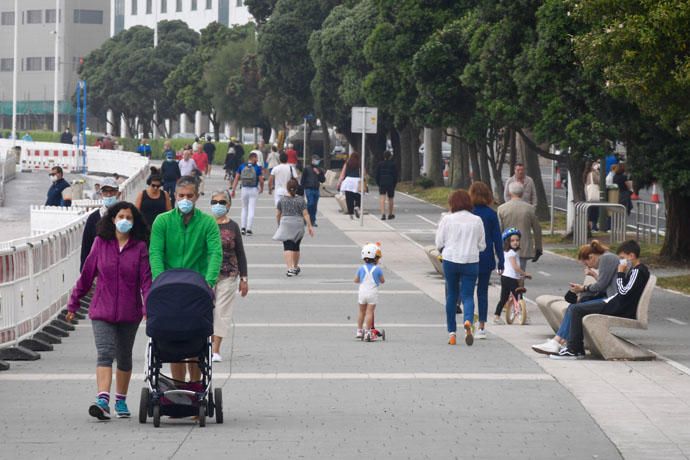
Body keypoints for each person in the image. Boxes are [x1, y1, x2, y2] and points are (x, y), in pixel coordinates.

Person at [65, 201, 151, 420]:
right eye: (120, 216)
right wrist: (74, 303)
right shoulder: (100, 243)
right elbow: (87, 275)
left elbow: (146, 282)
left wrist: (149, 308)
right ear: (113, 219)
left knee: (124, 357)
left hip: (129, 313)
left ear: (134, 222)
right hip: (101, 310)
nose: (124, 221)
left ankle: (120, 400)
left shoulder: (140, 247)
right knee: (105, 353)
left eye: (129, 218)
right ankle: (102, 400)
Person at [149, 176, 223, 382]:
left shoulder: (207, 222)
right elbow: (155, 252)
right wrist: (159, 280)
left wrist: (209, 282)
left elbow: (215, 253)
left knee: (196, 343)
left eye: (190, 196)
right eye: (181, 195)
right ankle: (177, 388)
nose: (185, 199)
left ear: (197, 197)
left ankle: (195, 386)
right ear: (174, 196)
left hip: (197, 290)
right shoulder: (162, 221)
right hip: (169, 289)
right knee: (173, 343)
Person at [551, 240, 651, 360]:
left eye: (622, 258)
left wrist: (620, 272)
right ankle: (574, 348)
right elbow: (622, 289)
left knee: (576, 309)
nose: (621, 261)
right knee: (576, 308)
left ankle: (574, 349)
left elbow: (623, 291)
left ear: (631, 256)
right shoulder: (637, 270)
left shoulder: (637, 271)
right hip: (617, 303)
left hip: (619, 306)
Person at [532, 240, 620, 355]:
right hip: (611, 298)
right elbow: (606, 284)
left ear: (591, 257)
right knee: (574, 306)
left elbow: (601, 286)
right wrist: (593, 275)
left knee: (575, 308)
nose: (588, 266)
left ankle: (560, 343)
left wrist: (582, 288)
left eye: (586, 263)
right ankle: (558, 341)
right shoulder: (607, 258)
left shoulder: (606, 259)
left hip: (614, 301)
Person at [435, 189, 486, 346]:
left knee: (451, 295)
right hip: (471, 261)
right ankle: (468, 321)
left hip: (450, 260)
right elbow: (482, 245)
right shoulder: (477, 220)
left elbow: (439, 242)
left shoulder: (447, 219)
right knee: (468, 296)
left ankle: (451, 333)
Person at [209, 190, 248, 363]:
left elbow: (240, 252)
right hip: (207, 275)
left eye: (222, 202)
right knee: (206, 311)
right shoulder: (205, 223)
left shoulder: (233, 226)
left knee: (222, 312)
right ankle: (206, 346)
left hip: (228, 274)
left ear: (229, 205)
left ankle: (216, 349)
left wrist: (244, 279)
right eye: (215, 201)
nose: (218, 205)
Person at [469, 181, 504, 337]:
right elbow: (498, 239)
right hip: (486, 257)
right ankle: (482, 326)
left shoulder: (469, 213)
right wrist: (501, 260)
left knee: (468, 291)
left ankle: (468, 320)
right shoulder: (491, 214)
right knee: (482, 291)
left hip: (469, 257)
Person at [272, 178, 314, 276]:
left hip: (286, 223)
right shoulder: (301, 200)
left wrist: (279, 224)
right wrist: (309, 226)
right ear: (297, 188)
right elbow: (306, 214)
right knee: (296, 246)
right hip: (298, 224)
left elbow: (278, 214)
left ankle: (289, 268)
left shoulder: (282, 200)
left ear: (287, 188)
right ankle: (295, 266)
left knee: (287, 246)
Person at [497, 182, 543, 271]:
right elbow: (537, 229)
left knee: (508, 272)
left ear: (509, 193)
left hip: (507, 247)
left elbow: (499, 230)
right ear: (522, 194)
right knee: (521, 272)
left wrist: (498, 248)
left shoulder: (502, 209)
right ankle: (520, 284)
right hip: (523, 247)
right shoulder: (529, 209)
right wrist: (538, 248)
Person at [80, 177, 121, 270]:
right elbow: (86, 245)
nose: (109, 195)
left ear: (118, 193)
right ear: (101, 194)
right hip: (99, 269)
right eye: (105, 192)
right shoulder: (93, 218)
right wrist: (84, 270)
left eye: (112, 191)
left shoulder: (125, 215)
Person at [493, 228, 531, 323]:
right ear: (507, 242)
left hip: (505, 278)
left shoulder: (505, 252)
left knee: (504, 298)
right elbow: (515, 267)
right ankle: (523, 316)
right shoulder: (511, 253)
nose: (515, 242)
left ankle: (496, 317)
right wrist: (524, 273)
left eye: (517, 240)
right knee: (519, 296)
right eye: (512, 240)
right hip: (511, 279)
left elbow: (504, 266)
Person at [354, 243, 385, 341]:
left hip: (362, 292)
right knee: (369, 312)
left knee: (361, 311)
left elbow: (356, 280)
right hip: (372, 293)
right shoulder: (378, 269)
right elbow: (382, 280)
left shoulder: (361, 268)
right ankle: (368, 332)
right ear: (374, 258)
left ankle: (359, 330)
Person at [231, 151, 264, 236]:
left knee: (244, 208)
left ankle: (242, 228)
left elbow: (236, 178)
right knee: (251, 209)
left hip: (244, 189)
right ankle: (249, 229)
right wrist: (262, 188)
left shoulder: (242, 166)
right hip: (253, 189)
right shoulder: (257, 168)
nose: (257, 159)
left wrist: (233, 190)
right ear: (253, 158)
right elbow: (261, 180)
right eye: (256, 158)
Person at [337, 152, 365, 219]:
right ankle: (357, 207)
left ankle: (351, 214)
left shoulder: (347, 163)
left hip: (348, 181)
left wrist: (339, 183)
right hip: (357, 181)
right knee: (358, 196)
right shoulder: (360, 164)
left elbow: (342, 174)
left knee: (349, 198)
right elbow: (363, 174)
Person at [300, 154, 326, 227]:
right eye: (315, 160)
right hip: (308, 189)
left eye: (318, 160)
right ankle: (306, 218)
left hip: (316, 189)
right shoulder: (307, 168)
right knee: (310, 203)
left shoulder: (319, 169)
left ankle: (313, 220)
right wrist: (301, 190)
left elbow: (323, 180)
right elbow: (303, 179)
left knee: (314, 206)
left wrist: (318, 173)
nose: (316, 162)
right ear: (312, 160)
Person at [375, 151, 398, 220]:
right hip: (390, 182)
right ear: (390, 156)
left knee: (382, 198)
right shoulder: (393, 164)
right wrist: (394, 184)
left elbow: (377, 175)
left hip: (382, 182)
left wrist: (378, 183)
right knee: (390, 198)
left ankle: (383, 214)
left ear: (384, 156)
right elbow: (395, 175)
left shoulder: (380, 164)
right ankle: (390, 214)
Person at [583, 160, 601, 231]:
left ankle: (590, 226)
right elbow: (599, 181)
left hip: (589, 194)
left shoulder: (586, 173)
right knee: (595, 211)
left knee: (590, 211)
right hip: (594, 195)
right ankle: (593, 226)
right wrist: (598, 172)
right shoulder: (593, 173)